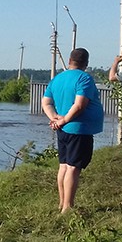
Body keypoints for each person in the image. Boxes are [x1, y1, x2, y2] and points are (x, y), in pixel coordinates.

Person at [41, 48, 105, 213]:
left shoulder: (57, 79)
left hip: (62, 129)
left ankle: (62, 203)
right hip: (78, 129)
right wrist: (64, 120)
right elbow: (79, 105)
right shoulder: (84, 78)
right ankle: (68, 207)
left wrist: (55, 118)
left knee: (63, 166)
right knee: (73, 168)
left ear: (69, 60)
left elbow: (46, 102)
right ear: (86, 63)